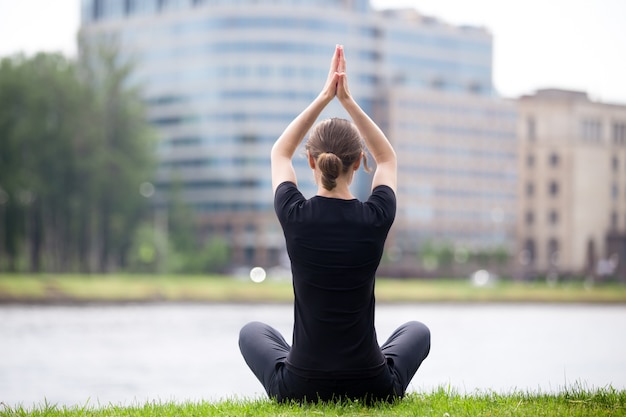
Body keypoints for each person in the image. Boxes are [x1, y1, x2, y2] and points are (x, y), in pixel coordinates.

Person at [238, 45, 430, 403]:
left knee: (252, 331)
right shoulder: (376, 216)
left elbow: (279, 152)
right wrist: (348, 102)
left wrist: (325, 96)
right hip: (372, 386)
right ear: (359, 162)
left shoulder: (294, 214)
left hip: (300, 386)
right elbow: (387, 157)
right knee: (417, 331)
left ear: (310, 161)